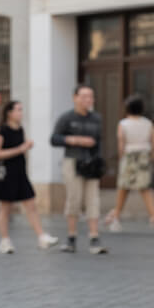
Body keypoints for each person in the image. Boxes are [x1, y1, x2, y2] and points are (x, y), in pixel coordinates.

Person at [0, 100, 58, 253]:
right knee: (5, 208)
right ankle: (5, 241)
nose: (21, 113)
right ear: (9, 112)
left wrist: (25, 148)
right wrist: (21, 148)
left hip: (20, 172)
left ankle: (42, 237)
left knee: (31, 205)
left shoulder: (20, 129)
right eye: (18, 110)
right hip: (5, 173)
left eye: (21, 109)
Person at [50, 84, 107, 254]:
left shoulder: (96, 118)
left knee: (93, 200)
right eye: (84, 96)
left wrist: (99, 161)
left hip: (92, 163)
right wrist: (75, 140)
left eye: (90, 96)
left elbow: (99, 140)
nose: (88, 100)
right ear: (75, 97)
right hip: (73, 161)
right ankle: (71, 237)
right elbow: (54, 139)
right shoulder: (66, 118)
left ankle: (94, 238)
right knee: (74, 199)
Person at [105, 95, 154, 231]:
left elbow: (121, 143)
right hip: (144, 156)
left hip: (129, 156)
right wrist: (151, 156)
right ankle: (153, 216)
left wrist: (121, 157)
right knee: (145, 188)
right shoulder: (148, 123)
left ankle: (116, 217)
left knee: (123, 187)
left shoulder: (123, 124)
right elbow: (152, 142)